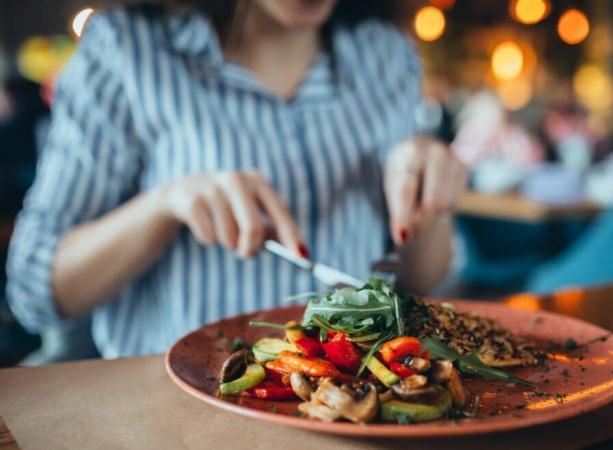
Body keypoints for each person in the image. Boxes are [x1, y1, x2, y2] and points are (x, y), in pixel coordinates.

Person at [6, 0, 467, 358]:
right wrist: (165, 205)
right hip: (176, 418)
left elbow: (422, 281)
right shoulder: (129, 50)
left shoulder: (387, 55)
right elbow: (33, 288)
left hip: (351, 410)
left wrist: (432, 197)